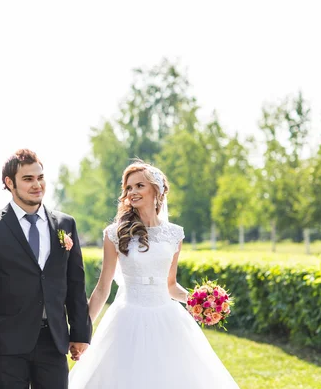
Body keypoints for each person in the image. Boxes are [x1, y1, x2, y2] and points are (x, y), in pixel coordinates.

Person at [68, 159, 239, 388]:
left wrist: (200, 302)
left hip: (167, 318)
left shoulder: (174, 234)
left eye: (140, 185)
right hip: (127, 319)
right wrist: (81, 331)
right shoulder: (114, 234)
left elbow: (170, 285)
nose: (132, 192)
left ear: (156, 191)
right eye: (128, 187)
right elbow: (102, 288)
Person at [0, 148, 92, 388]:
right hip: (7, 341)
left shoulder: (65, 223)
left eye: (40, 177)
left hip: (53, 340)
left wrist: (80, 333)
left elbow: (75, 283)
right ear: (10, 183)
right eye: (28, 179)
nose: (36, 185)